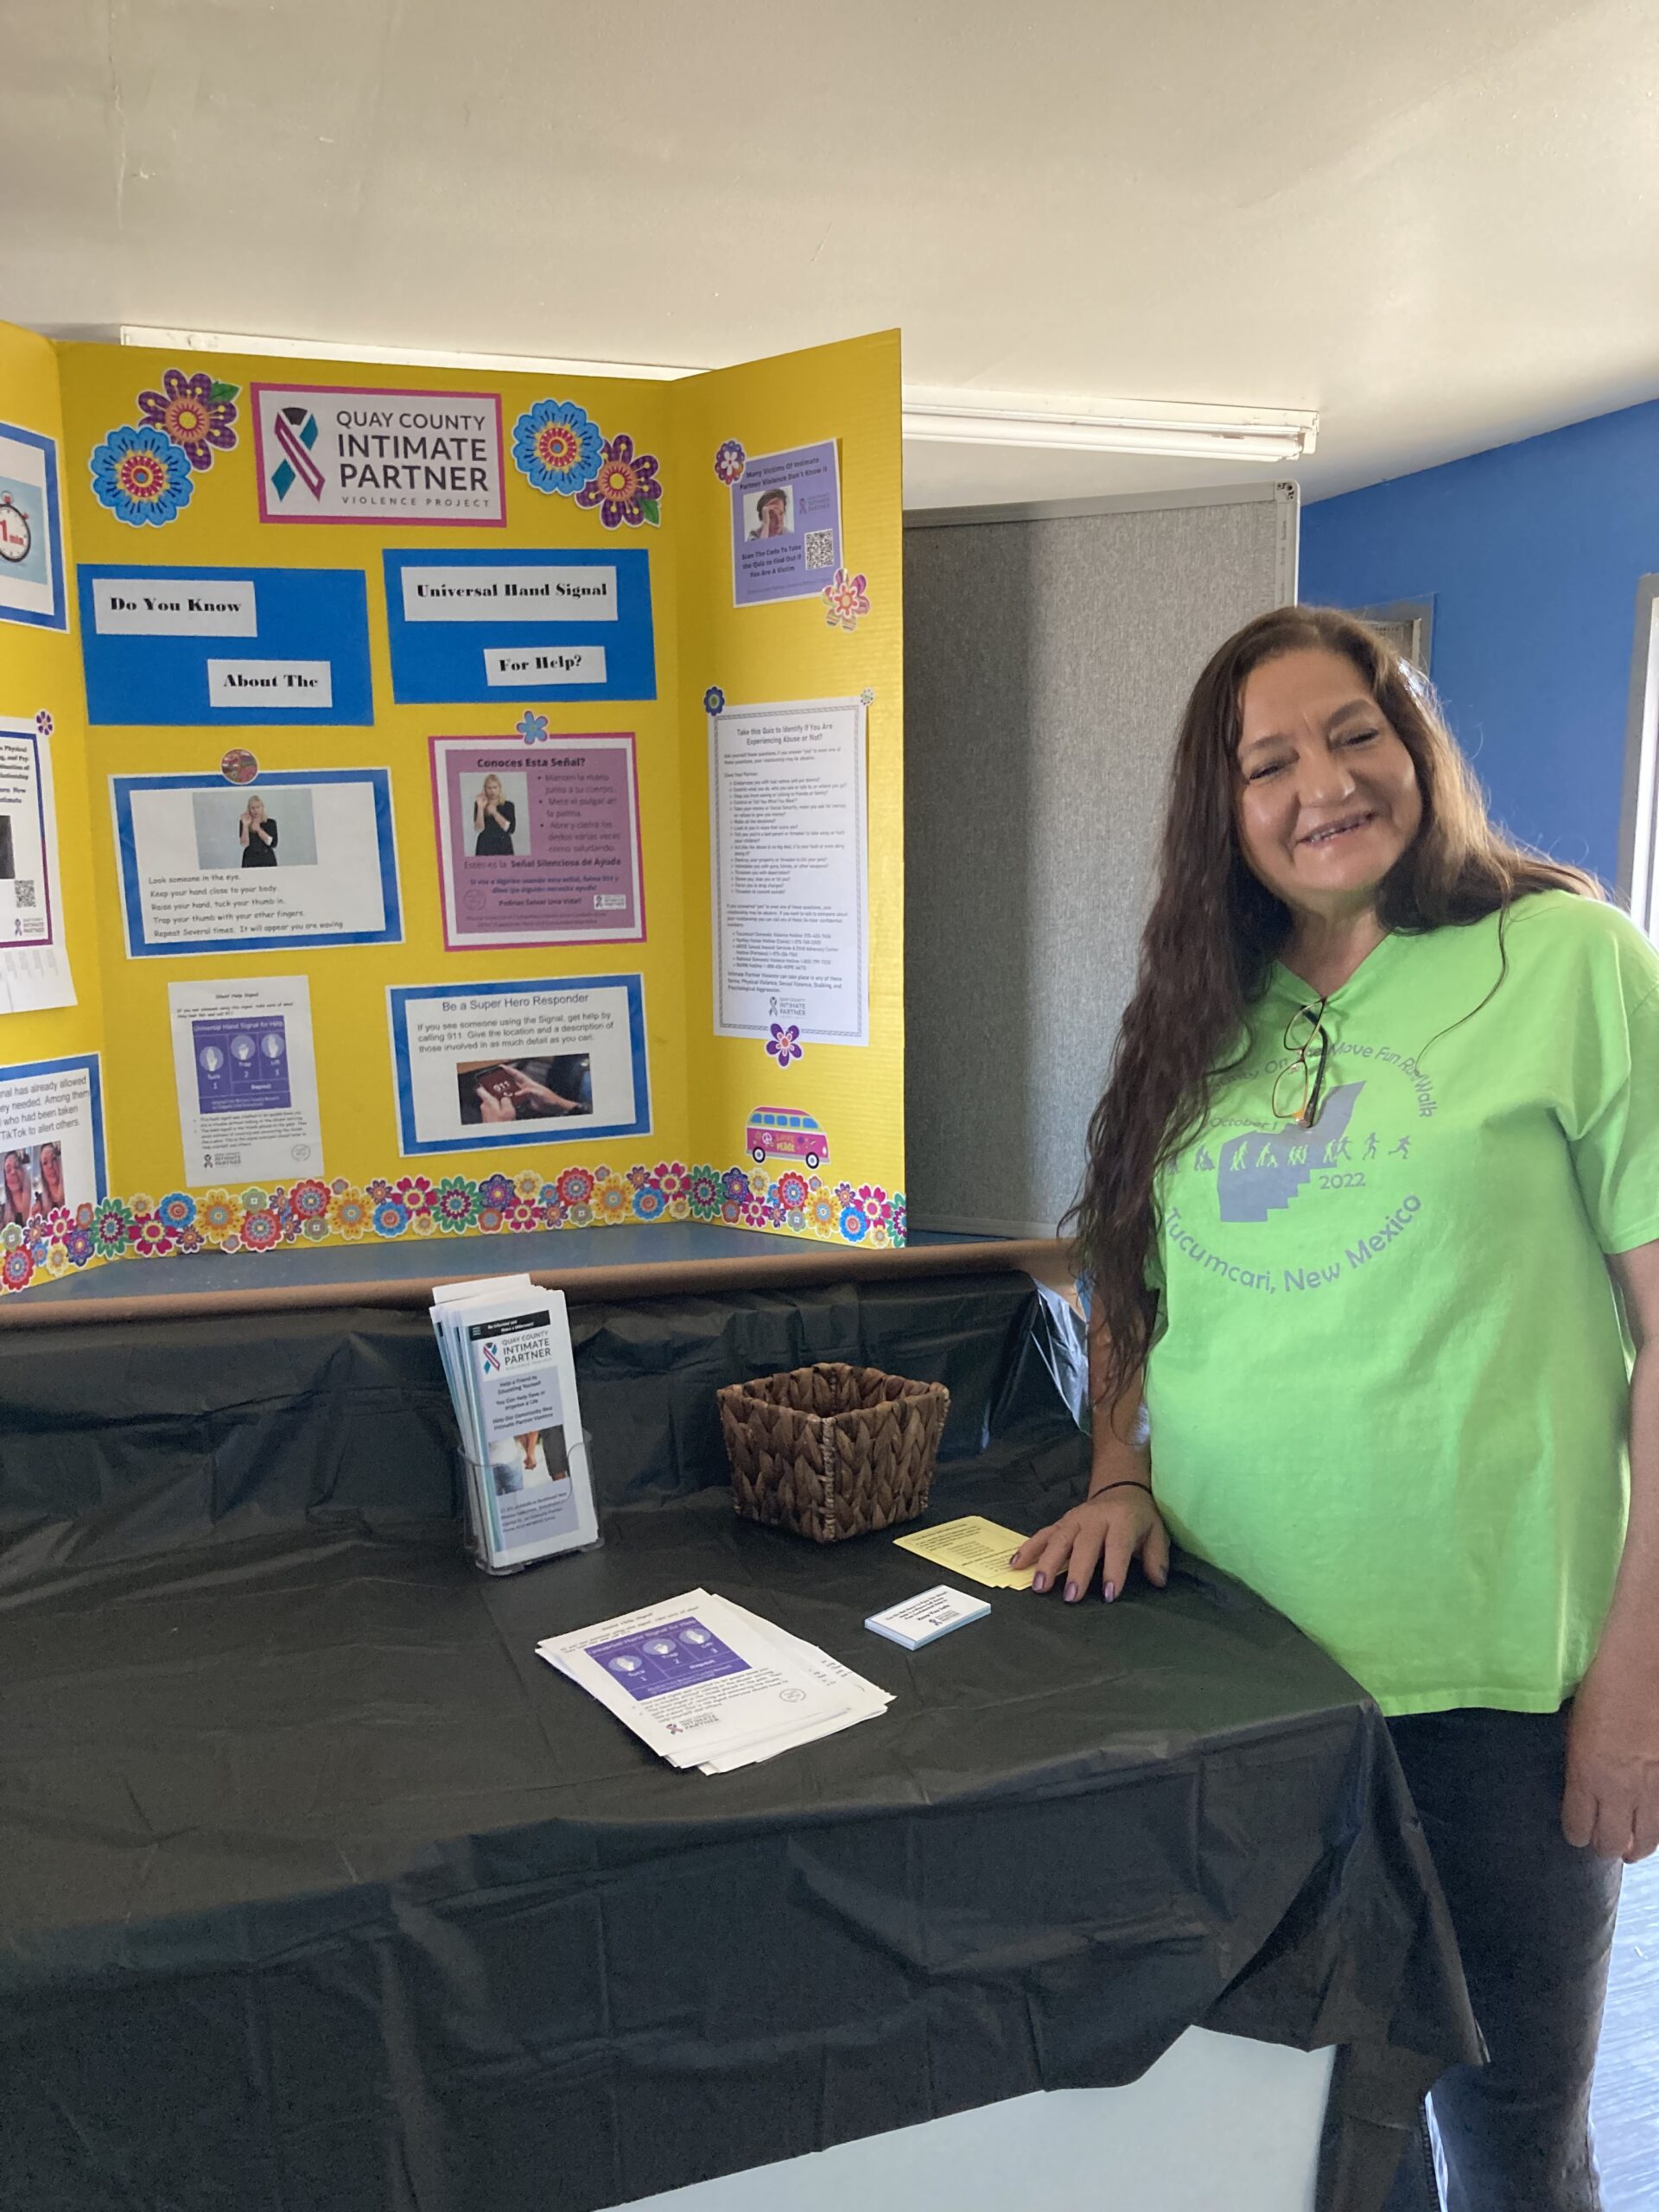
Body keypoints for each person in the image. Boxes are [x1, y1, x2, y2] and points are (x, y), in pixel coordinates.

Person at [1014, 607, 1659, 2212]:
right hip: (1247, 1694)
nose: (1323, 785)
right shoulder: (1199, 1014)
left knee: (1513, 2156)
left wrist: (1636, 1684)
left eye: (1354, 733)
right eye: (1269, 761)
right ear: (1220, 810)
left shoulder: (1570, 959)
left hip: (1500, 1700)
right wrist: (1116, 1471)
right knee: (1314, 2154)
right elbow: (1128, 1273)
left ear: (1417, 744)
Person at [473, 774, 516, 857]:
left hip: (503, 844)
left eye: (495, 787)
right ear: (485, 789)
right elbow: (479, 829)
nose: (492, 791)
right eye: (489, 788)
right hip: (485, 845)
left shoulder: (508, 805)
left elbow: (511, 829)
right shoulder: (479, 804)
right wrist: (481, 808)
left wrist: (495, 813)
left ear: (500, 788)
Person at [238, 795, 277, 868]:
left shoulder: (270, 823)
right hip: (250, 860)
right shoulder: (244, 822)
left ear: (262, 808)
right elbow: (244, 844)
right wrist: (245, 826)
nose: (255, 810)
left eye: (258, 807)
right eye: (253, 808)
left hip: (267, 860)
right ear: (249, 809)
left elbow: (273, 843)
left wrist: (258, 830)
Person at [1, 1148, 33, 1228]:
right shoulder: (2, 1214)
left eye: (17, 1166)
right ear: (6, 1181)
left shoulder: (39, 1203)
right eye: (8, 1170)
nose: (13, 1172)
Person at [35, 1141, 64, 1215]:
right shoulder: (39, 1204)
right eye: (45, 1163)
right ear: (42, 1171)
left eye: (53, 1159)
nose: (50, 1166)